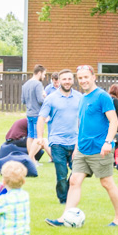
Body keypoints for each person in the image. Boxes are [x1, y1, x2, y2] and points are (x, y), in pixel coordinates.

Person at [46, 65, 118, 227]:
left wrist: (108, 142)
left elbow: (114, 121)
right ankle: (64, 218)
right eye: (80, 78)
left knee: (106, 182)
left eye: (86, 77)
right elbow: (81, 124)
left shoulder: (102, 96)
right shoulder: (82, 98)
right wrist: (77, 147)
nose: (83, 80)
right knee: (74, 181)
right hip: (82, 148)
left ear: (93, 77)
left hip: (100, 148)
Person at [37, 69, 82, 204]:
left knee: (78, 172)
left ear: (73, 80)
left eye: (69, 79)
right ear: (59, 81)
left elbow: (84, 119)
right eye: (64, 79)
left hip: (75, 142)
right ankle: (63, 200)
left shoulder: (80, 97)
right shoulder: (51, 98)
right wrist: (40, 137)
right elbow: (41, 118)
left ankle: (69, 192)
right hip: (57, 142)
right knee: (61, 175)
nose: (67, 82)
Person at [22, 65, 46, 160]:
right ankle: (30, 158)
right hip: (37, 114)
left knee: (30, 136)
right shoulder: (38, 84)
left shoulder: (25, 84)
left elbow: (23, 101)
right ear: (39, 73)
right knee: (38, 137)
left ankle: (32, 160)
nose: (44, 76)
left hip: (29, 114)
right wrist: (45, 97)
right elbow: (40, 100)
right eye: (44, 74)